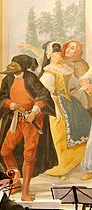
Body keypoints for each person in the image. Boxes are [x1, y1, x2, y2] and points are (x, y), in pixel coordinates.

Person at [0, 54, 57, 201]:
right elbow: (2, 99)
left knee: (29, 156)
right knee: (5, 151)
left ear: (22, 66)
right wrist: (11, 104)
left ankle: (25, 192)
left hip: (32, 121)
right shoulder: (7, 79)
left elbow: (43, 96)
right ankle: (15, 183)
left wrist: (34, 112)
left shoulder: (31, 78)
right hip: (16, 119)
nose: (10, 66)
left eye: (14, 64)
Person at [39, 41, 91, 177]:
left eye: (59, 52)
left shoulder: (66, 68)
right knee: (60, 131)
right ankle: (61, 165)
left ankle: (80, 162)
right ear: (50, 55)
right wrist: (55, 106)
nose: (59, 55)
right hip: (56, 103)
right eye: (56, 53)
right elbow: (46, 92)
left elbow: (73, 86)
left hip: (70, 102)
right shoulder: (49, 71)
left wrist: (82, 89)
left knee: (85, 123)